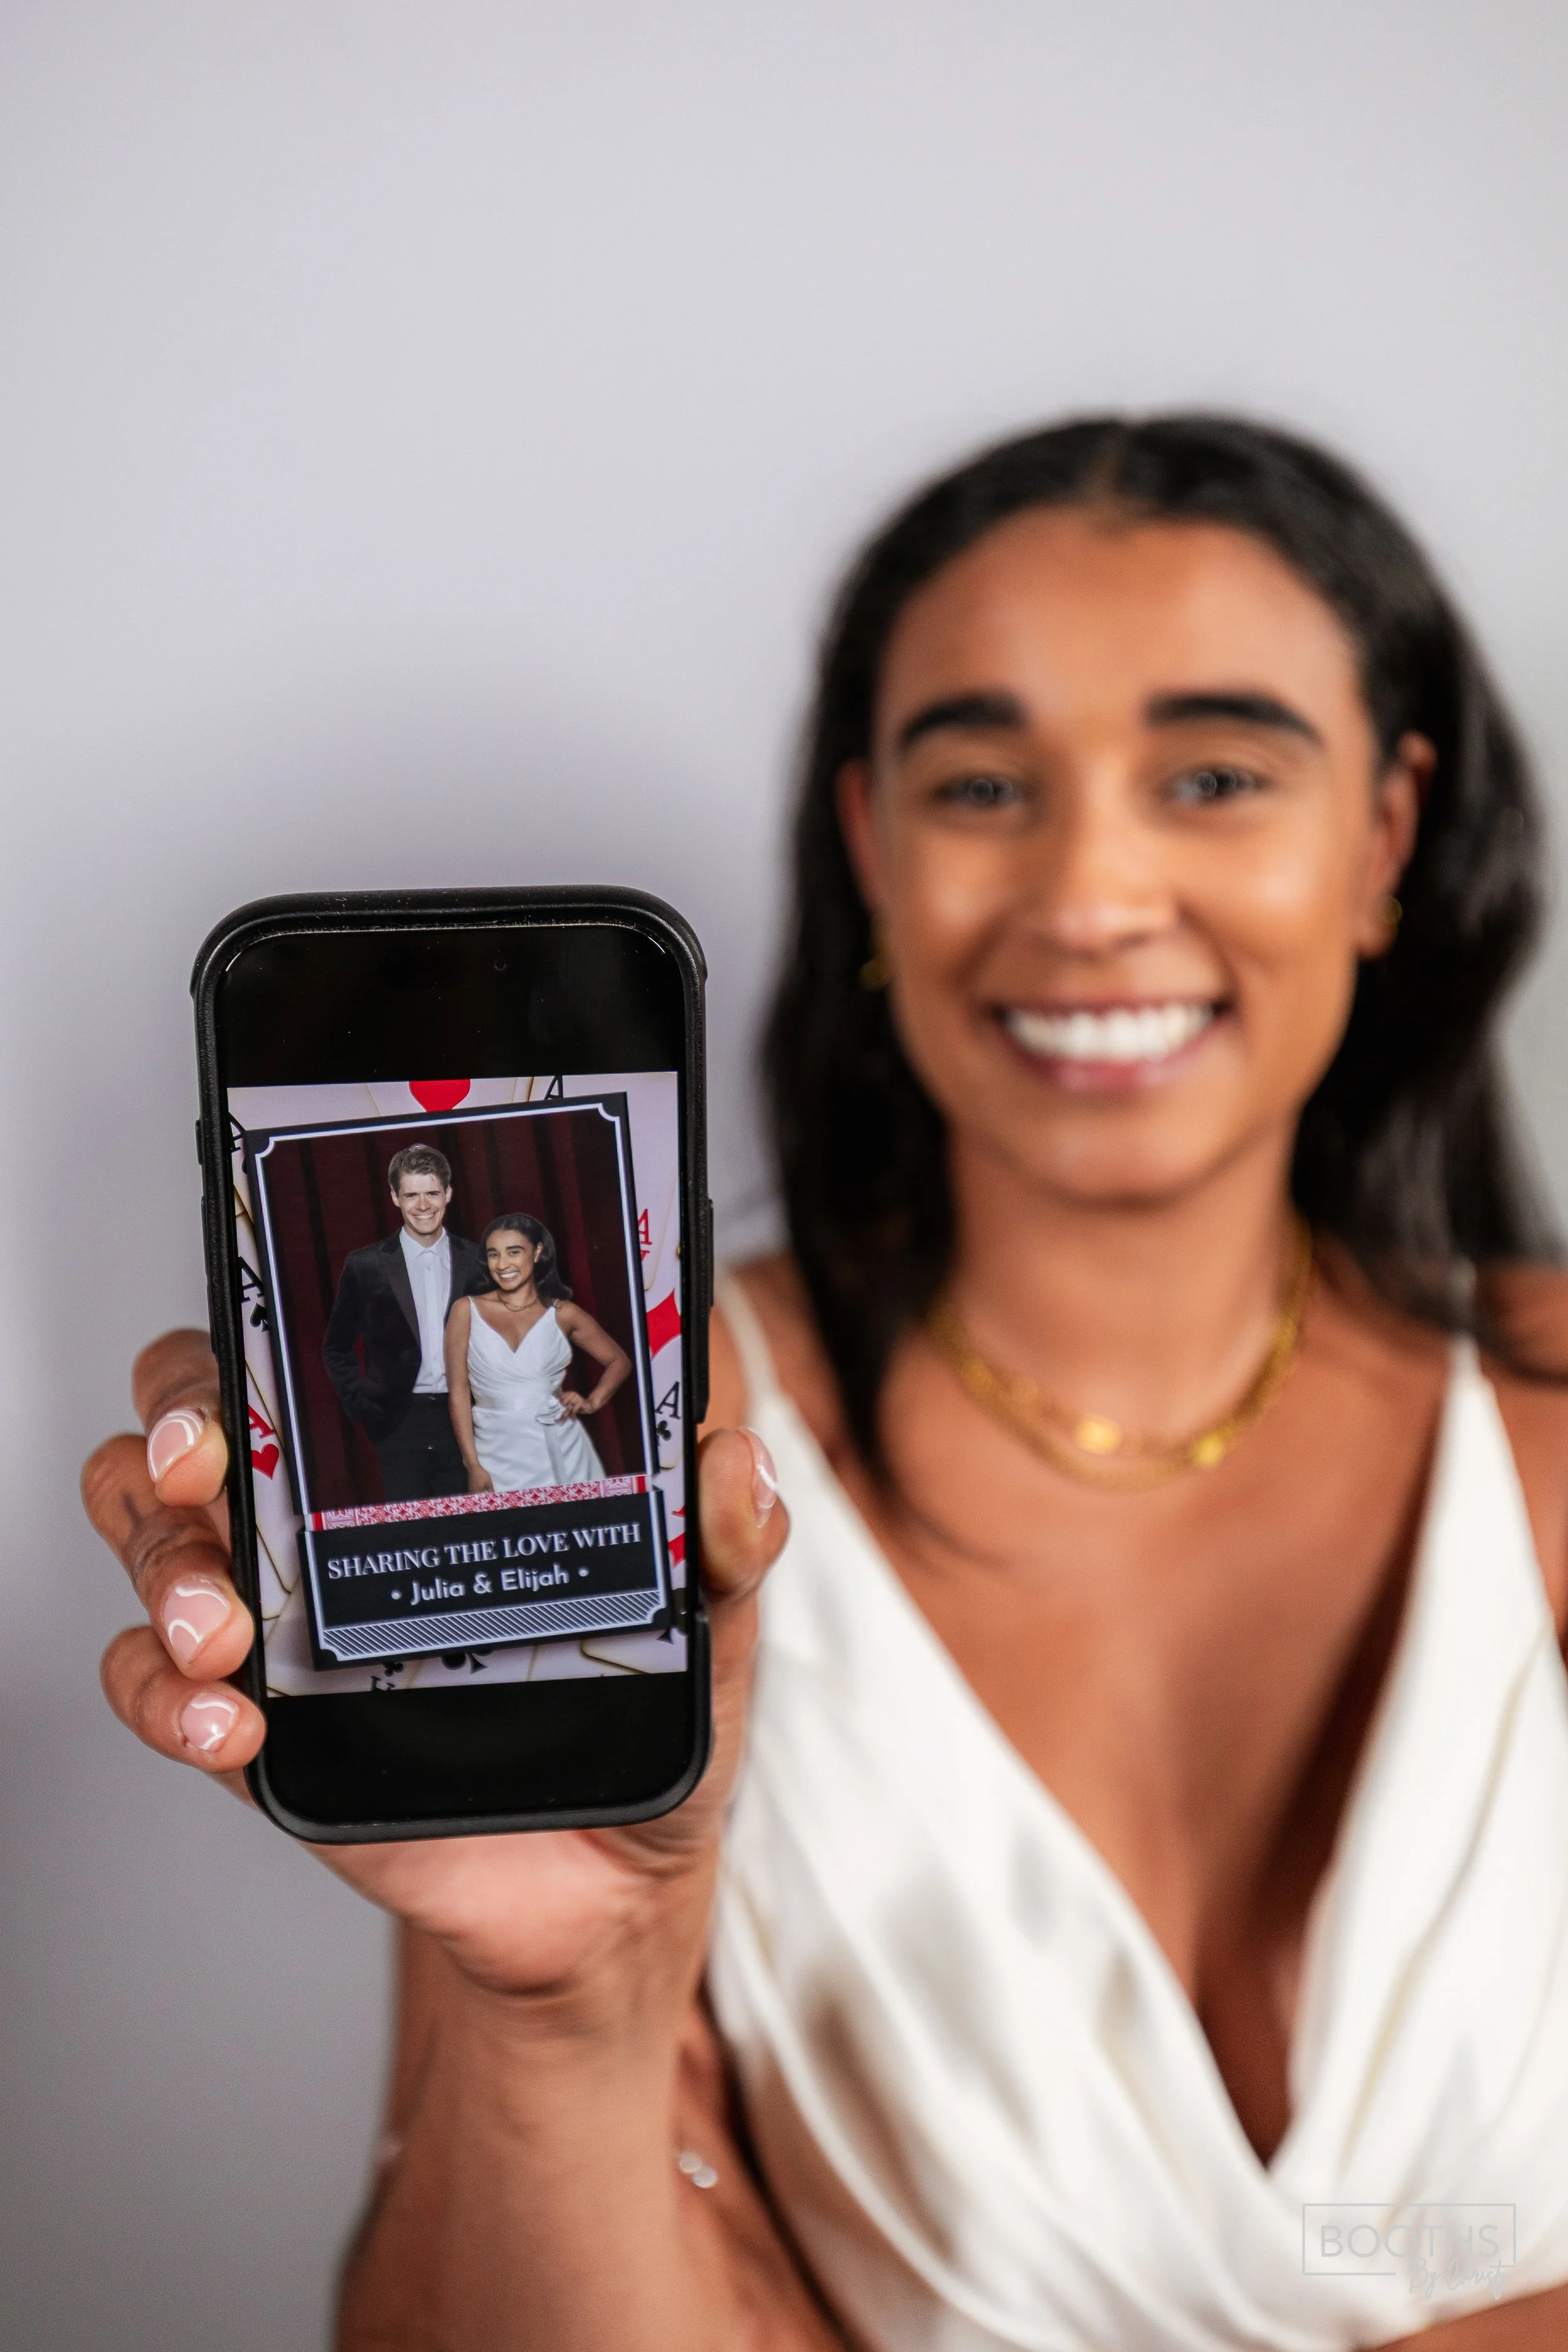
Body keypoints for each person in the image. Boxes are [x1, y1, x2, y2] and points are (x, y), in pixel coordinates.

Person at [83, 413, 1568, 2351]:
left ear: (1379, 837)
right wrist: (560, 2014)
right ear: (869, 847)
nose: (1092, 885)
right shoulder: (679, 1480)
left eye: (1209, 771)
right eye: (978, 783)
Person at [320, 1143, 487, 1503]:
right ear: (395, 1197)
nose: (423, 1205)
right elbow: (336, 1347)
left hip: (465, 1419)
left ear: (449, 1194)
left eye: (432, 1193)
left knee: (468, 1528)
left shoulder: (477, 1261)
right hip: (397, 1420)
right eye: (412, 1195)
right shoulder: (366, 1265)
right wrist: (366, 1408)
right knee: (407, 1536)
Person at [444, 1212, 631, 1491]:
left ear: (537, 1252)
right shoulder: (466, 1310)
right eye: (494, 1255)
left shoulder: (563, 1313)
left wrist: (591, 1402)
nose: (503, 1264)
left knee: (574, 1530)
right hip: (494, 1450)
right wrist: (473, 1465)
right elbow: (458, 1390)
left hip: (562, 1445)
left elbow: (619, 1361)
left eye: (514, 1252)